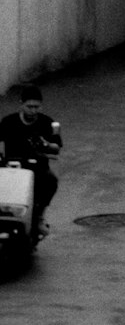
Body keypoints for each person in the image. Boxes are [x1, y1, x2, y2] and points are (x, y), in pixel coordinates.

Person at [0, 84, 62, 239]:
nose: (33, 111)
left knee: (51, 181)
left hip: (37, 168)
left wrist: (46, 145)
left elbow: (57, 147)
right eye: (29, 106)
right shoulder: (8, 122)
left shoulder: (47, 122)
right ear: (21, 104)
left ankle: (40, 216)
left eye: (37, 107)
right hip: (12, 168)